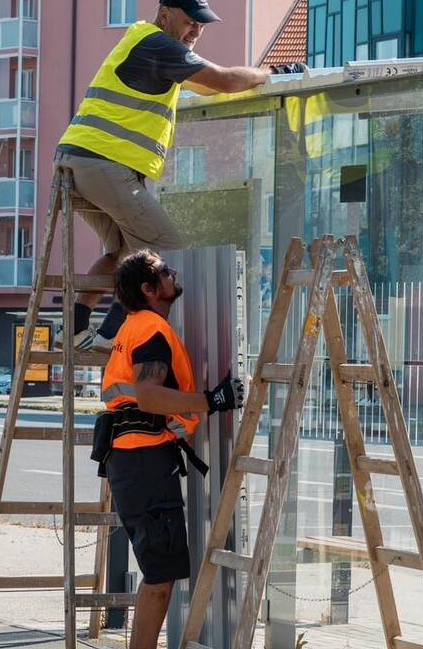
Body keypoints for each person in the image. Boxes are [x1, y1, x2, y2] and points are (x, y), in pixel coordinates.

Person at [56, 0, 306, 353]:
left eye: (201, 25)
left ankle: (72, 329)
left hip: (79, 164)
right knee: (165, 248)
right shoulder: (157, 44)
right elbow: (222, 81)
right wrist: (273, 72)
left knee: (119, 255)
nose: (196, 31)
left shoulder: (145, 44)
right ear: (165, 15)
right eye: (190, 22)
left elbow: (208, 85)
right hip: (103, 163)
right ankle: (113, 334)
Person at [90, 249, 244, 649]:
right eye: (163, 271)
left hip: (134, 460)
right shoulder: (151, 330)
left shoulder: (134, 326)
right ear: (149, 288)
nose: (172, 273)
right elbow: (150, 397)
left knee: (158, 573)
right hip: (143, 462)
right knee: (160, 578)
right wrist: (212, 400)